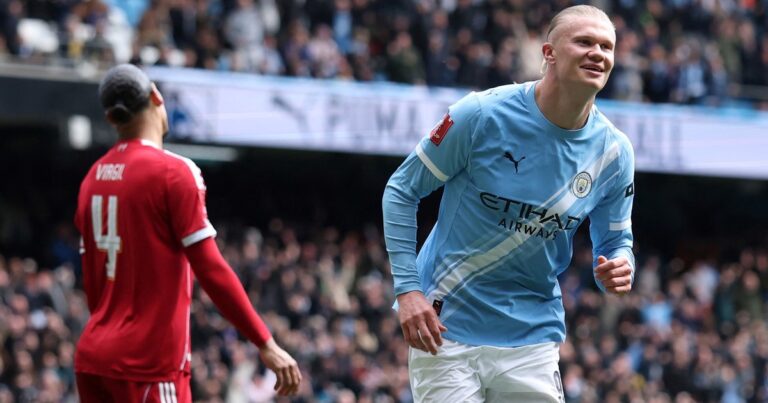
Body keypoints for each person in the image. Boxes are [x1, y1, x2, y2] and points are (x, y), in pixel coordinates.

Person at [382, 5, 635, 402]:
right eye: (584, 42)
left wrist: (622, 266)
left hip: (532, 338)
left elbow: (616, 245)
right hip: (446, 328)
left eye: (607, 46)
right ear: (548, 53)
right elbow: (401, 190)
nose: (598, 53)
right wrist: (407, 290)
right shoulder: (480, 115)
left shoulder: (614, 153)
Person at [74, 64, 301, 402]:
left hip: (93, 360)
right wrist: (264, 341)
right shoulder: (174, 172)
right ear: (156, 97)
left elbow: (92, 282)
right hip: (147, 365)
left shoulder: (92, 178)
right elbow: (210, 267)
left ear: (111, 119)